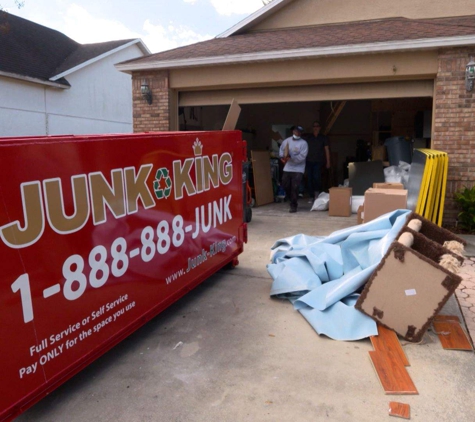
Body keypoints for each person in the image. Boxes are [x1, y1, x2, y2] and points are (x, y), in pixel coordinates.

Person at [279, 125, 308, 213]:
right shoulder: (286, 141)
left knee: (295, 187)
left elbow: (302, 156)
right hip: (287, 167)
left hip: (298, 168)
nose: (297, 133)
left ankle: (293, 205)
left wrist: (291, 158)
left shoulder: (303, 143)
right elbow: (281, 151)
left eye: (299, 132)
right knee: (284, 184)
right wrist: (282, 157)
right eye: (296, 131)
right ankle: (291, 199)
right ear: (293, 132)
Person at [305, 121, 331, 203]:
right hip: (308, 161)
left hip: (318, 161)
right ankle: (311, 196)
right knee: (309, 179)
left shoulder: (323, 138)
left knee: (316, 177)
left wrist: (328, 162)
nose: (315, 127)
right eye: (314, 126)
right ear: (312, 128)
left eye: (317, 126)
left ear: (320, 128)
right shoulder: (309, 138)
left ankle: (317, 193)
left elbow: (326, 150)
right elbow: (303, 148)